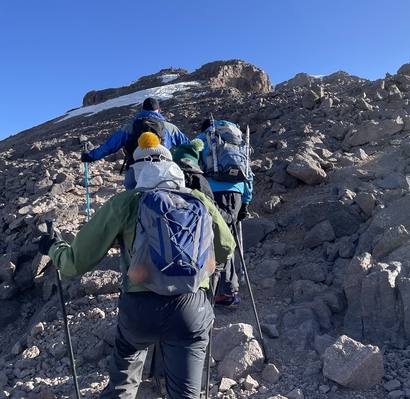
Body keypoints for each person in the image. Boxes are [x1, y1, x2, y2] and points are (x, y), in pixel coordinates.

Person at [39, 132, 236, 399]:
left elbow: (75, 263)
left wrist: (54, 247)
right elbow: (227, 248)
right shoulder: (199, 200)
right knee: (187, 394)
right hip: (191, 308)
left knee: (122, 384)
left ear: (137, 170)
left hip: (140, 308)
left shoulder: (126, 202)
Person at [196, 118, 253, 308]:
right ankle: (229, 289)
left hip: (212, 192)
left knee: (216, 238)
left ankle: (223, 290)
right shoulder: (238, 140)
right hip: (236, 192)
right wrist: (245, 202)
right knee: (230, 238)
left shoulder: (205, 138)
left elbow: (193, 165)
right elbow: (248, 173)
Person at [80, 97, 190, 190]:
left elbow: (110, 146)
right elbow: (188, 147)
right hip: (163, 170)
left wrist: (90, 156)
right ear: (159, 111)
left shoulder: (130, 127)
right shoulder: (170, 128)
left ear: (142, 110)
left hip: (135, 170)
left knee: (134, 205)